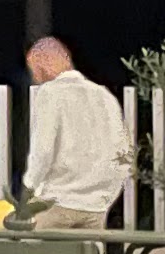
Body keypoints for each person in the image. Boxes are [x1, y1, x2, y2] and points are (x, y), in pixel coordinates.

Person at [15, 34, 128, 228]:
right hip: (96, 205)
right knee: (86, 250)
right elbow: (123, 151)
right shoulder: (104, 96)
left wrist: (28, 190)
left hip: (56, 201)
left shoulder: (51, 93)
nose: (35, 77)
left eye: (34, 70)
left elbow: (43, 151)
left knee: (33, 247)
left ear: (41, 67)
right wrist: (108, 194)